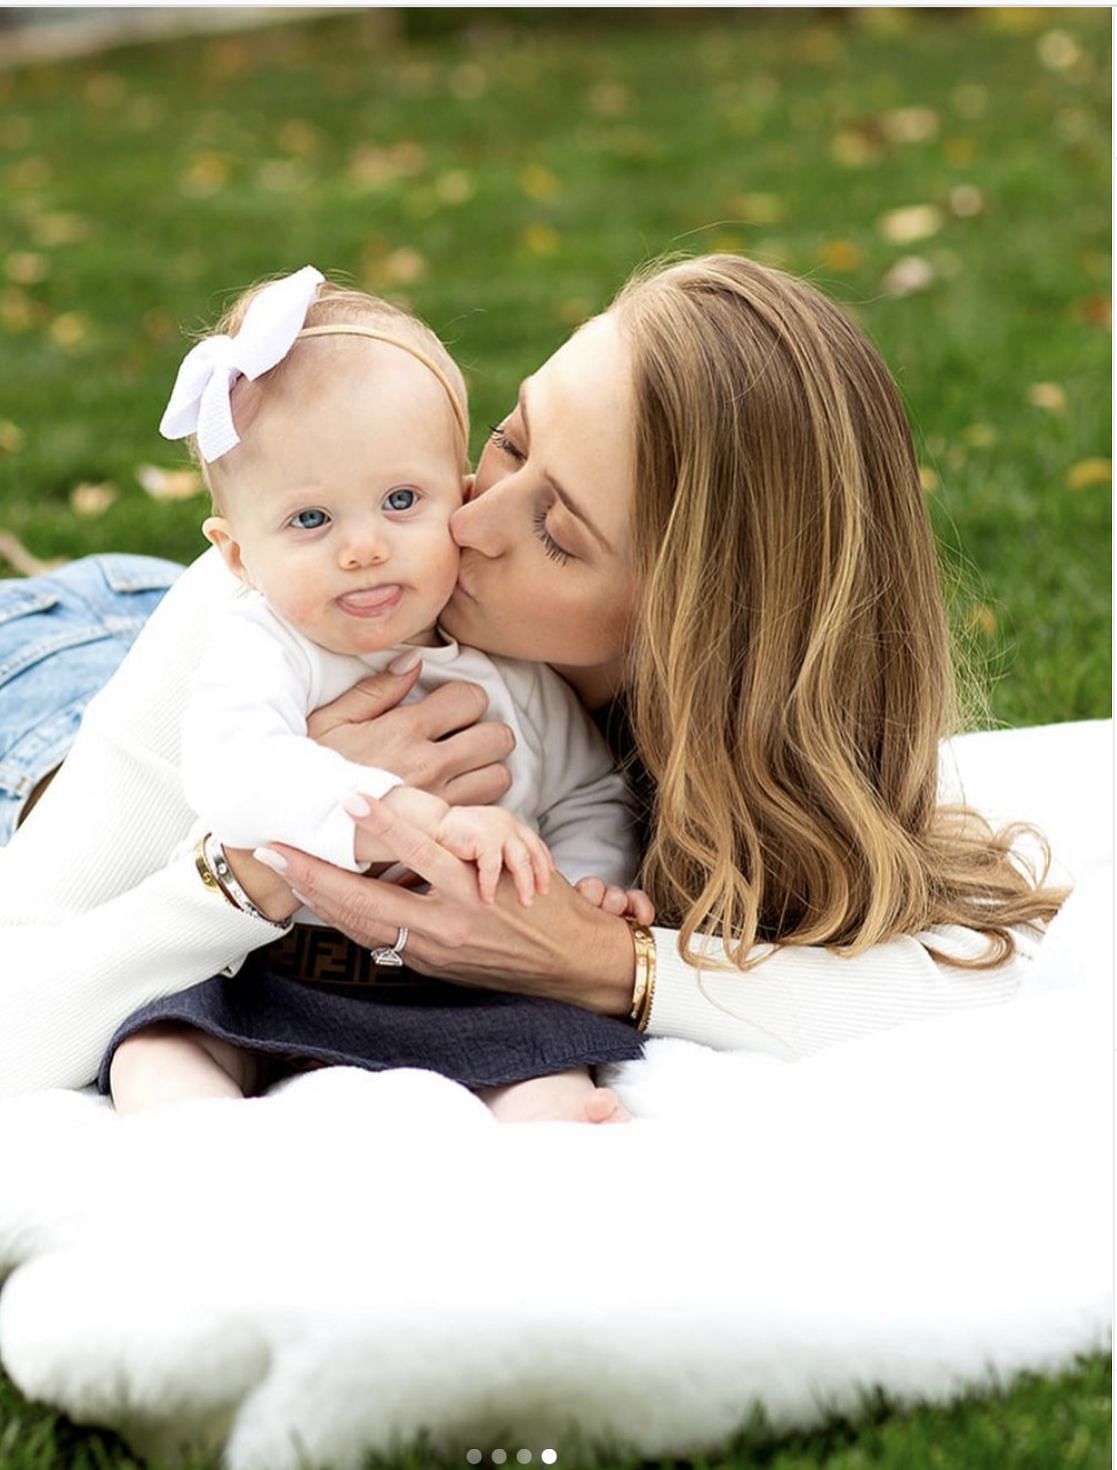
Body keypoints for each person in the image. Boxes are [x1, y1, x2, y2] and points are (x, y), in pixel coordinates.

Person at [0, 253, 1067, 1118]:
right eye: (507, 439)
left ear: (695, 636)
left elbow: (956, 984)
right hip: (62, 675)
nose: (464, 522)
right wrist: (259, 862)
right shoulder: (253, 614)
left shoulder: (729, 750)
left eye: (554, 529)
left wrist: (603, 959)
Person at [101, 265, 649, 1121]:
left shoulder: (509, 662)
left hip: (467, 982)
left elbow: (591, 790)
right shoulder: (267, 643)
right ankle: (193, 1144)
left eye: (401, 500)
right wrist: (398, 809)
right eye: (311, 521)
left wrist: (580, 889)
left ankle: (548, 1142)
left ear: (453, 492)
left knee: (548, 1057)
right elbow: (234, 768)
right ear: (237, 554)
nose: (362, 548)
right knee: (159, 1042)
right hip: (285, 969)